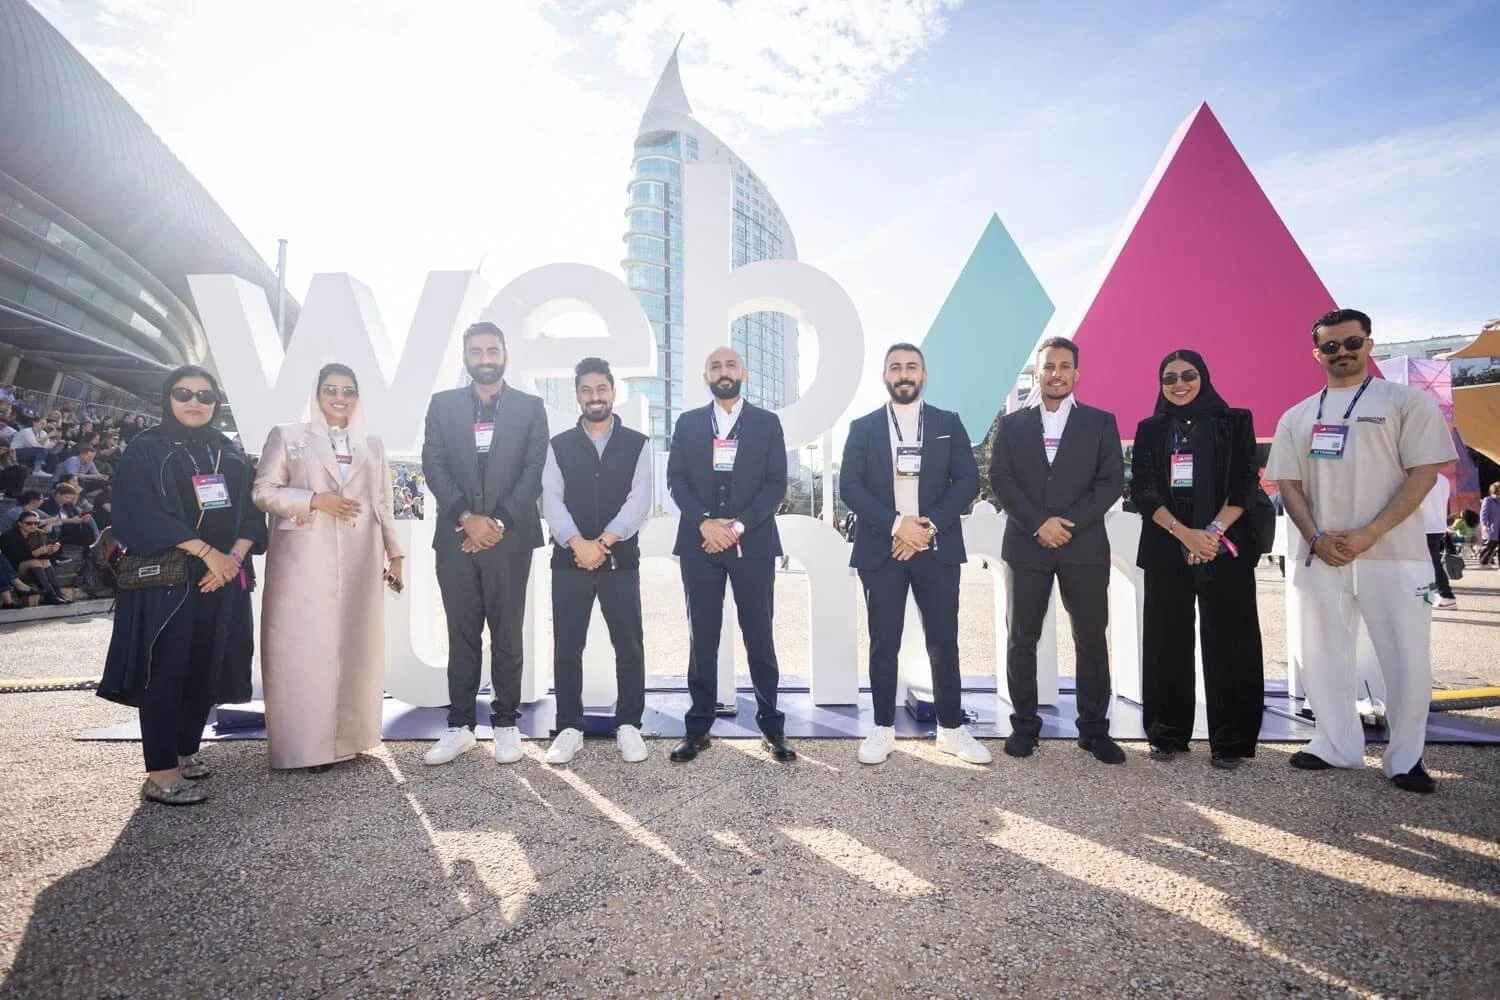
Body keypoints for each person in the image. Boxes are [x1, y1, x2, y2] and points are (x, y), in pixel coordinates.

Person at [1268, 309, 1456, 794]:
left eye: (1351, 342)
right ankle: (1334, 744)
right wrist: (1314, 536)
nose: (1342, 352)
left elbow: (1424, 474)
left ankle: (1405, 757)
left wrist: (1372, 532)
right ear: (1317, 353)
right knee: (1323, 655)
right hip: (1322, 555)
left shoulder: (1406, 403)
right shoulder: (1299, 415)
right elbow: (1287, 483)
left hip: (1394, 554)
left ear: (1369, 344)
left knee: (1407, 659)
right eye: (1331, 346)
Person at [98, 366, 267, 806]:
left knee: (205, 664)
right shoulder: (146, 448)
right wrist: (206, 552)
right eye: (184, 393)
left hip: (222, 577)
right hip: (169, 580)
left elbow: (251, 516)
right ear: (167, 397)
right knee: (166, 670)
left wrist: (230, 559)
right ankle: (161, 772)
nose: (194, 402)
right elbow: (137, 514)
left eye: (205, 396)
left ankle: (186, 751)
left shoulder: (224, 450)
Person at [840, 343, 988, 765]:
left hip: (935, 546)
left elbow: (966, 479)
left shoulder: (947, 423)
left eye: (911, 367)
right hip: (882, 547)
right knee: (883, 643)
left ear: (924, 375)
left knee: (943, 642)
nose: (903, 374)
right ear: (885, 377)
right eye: (895, 368)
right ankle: (882, 728)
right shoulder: (864, 427)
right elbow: (849, 487)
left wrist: (926, 527)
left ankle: (952, 730)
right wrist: (896, 525)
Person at [253, 363, 404, 772]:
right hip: (303, 560)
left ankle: (349, 739)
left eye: (348, 390)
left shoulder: (371, 442)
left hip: (360, 558)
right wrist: (313, 500)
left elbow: (382, 502)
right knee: (304, 651)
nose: (340, 397)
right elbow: (263, 491)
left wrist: (396, 554)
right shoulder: (288, 435)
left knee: (355, 647)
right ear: (316, 393)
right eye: (331, 389)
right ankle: (303, 747)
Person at [989, 337, 1126, 763]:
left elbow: (1110, 483)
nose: (1056, 373)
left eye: (1065, 366)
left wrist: (1068, 525)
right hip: (1026, 546)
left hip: (1082, 545)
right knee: (1021, 638)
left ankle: (1094, 730)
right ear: (1037, 372)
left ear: (1076, 374)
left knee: (1090, 639)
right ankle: (1025, 728)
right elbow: (1001, 479)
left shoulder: (1101, 423)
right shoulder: (1012, 424)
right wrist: (1038, 524)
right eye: (1049, 366)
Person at [1130, 350, 1266, 770]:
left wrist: (1211, 534)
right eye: (1169, 378)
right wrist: (1185, 533)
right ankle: (1167, 733)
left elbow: (1246, 482)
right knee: (1165, 642)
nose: (1179, 384)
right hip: (1167, 545)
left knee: (1231, 642)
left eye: (1188, 375)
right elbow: (1143, 490)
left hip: (1223, 547)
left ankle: (1231, 740)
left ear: (1203, 377)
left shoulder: (1236, 420)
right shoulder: (1150, 429)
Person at [420, 321, 548, 766]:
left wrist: (495, 524)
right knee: (461, 633)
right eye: (477, 351)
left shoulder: (531, 408)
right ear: (465, 356)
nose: (485, 358)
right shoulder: (443, 405)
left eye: (492, 349)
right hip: (456, 537)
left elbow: (533, 471)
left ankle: (507, 724)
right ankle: (459, 727)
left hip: (509, 538)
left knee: (508, 634)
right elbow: (432, 464)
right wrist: (466, 519)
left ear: (505, 353)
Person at [666, 347, 794, 763]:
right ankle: (698, 728)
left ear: (744, 372)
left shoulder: (767, 423)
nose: (724, 372)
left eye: (731, 365)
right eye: (716, 367)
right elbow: (677, 479)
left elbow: (776, 484)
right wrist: (705, 522)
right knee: (701, 636)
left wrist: (736, 526)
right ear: (706, 376)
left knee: (759, 634)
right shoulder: (687, 424)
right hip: (699, 543)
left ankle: (772, 728)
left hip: (752, 543)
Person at [540, 358, 652, 765]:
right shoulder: (559, 446)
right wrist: (576, 542)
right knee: (568, 647)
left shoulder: (638, 444)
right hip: (569, 563)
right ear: (577, 396)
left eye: (601, 388)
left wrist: (602, 543)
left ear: (613, 391)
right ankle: (569, 726)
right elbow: (550, 497)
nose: (594, 397)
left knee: (630, 646)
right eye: (586, 390)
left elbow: (640, 500)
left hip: (620, 561)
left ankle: (629, 725)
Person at [0, 508, 69, 604]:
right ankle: (49, 596)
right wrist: (35, 553)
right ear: (20, 523)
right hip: (12, 570)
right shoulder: (10, 535)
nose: (33, 526)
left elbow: (44, 557)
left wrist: (51, 551)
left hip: (33, 568)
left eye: (36, 523)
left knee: (45, 561)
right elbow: (14, 557)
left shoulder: (39, 534)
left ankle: (58, 594)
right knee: (34, 562)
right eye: (29, 523)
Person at [1419, 474, 1456, 609]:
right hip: (1437, 525)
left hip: (1423, 525)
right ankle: (1435, 593)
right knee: (1431, 561)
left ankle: (1446, 595)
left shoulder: (1419, 477)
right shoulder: (1443, 480)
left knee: (1432, 562)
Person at [40, 482, 99, 547]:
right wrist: (71, 520)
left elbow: (76, 515)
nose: (69, 500)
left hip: (70, 530)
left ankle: (91, 547)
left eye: (71, 498)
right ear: (58, 494)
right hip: (59, 530)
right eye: (66, 497)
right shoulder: (47, 503)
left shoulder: (68, 505)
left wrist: (82, 519)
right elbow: (52, 519)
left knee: (87, 526)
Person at [1480, 483, 1499, 566]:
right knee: (1490, 546)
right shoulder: (1488, 500)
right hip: (1492, 527)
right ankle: (1483, 563)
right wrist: (1484, 525)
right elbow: (1483, 514)